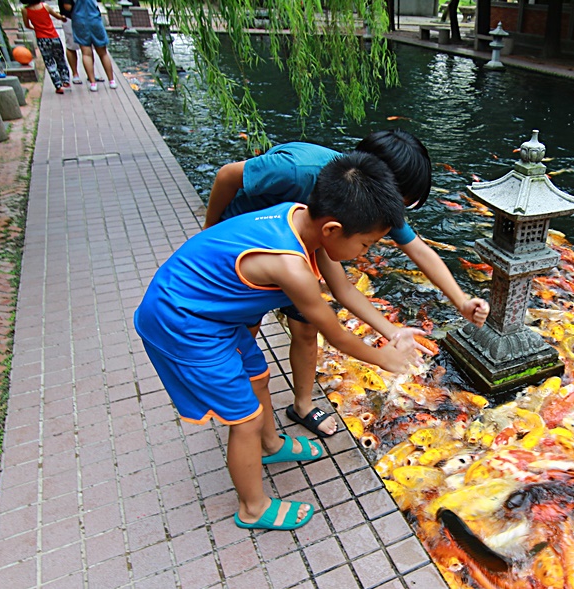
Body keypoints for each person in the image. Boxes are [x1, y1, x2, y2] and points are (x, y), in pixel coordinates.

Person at [135, 153, 422, 530]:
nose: (365, 254)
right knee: (245, 419)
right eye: (367, 245)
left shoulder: (302, 216)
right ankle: (252, 507)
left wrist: (393, 331)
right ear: (334, 230)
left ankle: (271, 446)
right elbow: (333, 333)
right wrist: (382, 358)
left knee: (259, 377)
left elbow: (344, 289)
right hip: (183, 322)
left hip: (210, 315)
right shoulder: (291, 266)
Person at [203, 130, 490, 438]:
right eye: (367, 244)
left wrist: (460, 300)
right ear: (374, 180)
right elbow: (228, 176)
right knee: (245, 335)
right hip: (248, 252)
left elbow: (414, 251)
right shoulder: (299, 171)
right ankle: (249, 420)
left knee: (305, 326)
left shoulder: (359, 210)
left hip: (304, 246)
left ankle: (299, 406)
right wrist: (209, 231)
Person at [61, 0, 116, 92]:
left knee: (86, 54)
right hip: (95, 20)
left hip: (80, 21)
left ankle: (93, 83)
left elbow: (67, 7)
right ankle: (112, 81)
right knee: (103, 53)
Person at [20, 0, 70, 94]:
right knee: (60, 59)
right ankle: (65, 80)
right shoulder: (45, 6)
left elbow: (27, 25)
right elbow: (58, 17)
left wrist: (36, 28)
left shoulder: (25, 10)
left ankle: (58, 85)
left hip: (42, 39)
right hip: (54, 36)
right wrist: (63, 17)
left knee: (49, 62)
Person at [57, 0, 81, 84]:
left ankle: (91, 73)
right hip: (70, 19)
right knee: (71, 47)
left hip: (83, 18)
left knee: (87, 47)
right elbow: (67, 7)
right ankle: (75, 73)